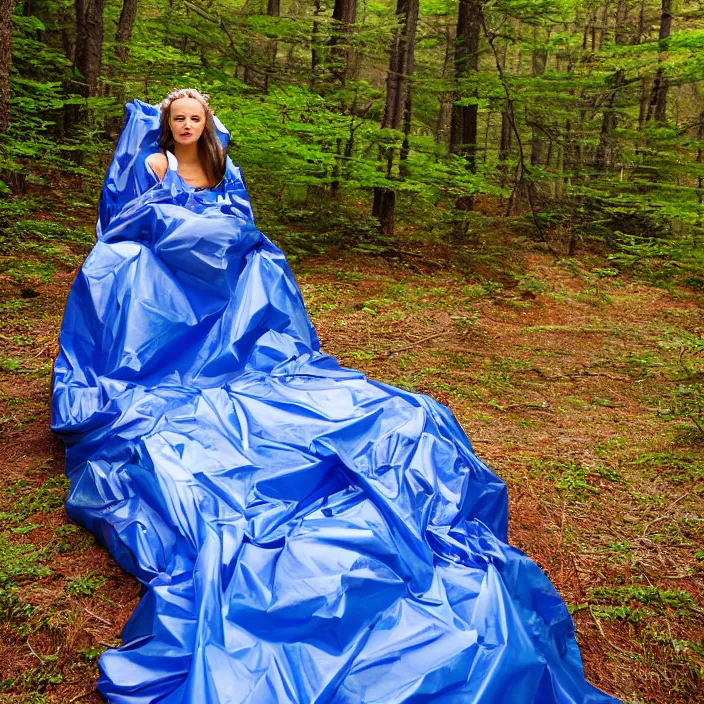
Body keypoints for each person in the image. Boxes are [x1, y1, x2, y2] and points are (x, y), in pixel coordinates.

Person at [51, 89, 620, 704]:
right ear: (167, 124)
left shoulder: (221, 166)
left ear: (206, 124)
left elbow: (238, 215)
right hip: (166, 254)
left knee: (265, 268)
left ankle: (248, 354)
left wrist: (221, 234)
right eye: (178, 120)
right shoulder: (158, 163)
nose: (187, 128)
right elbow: (128, 214)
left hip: (219, 256)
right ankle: (167, 360)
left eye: (195, 120)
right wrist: (176, 226)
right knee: (127, 266)